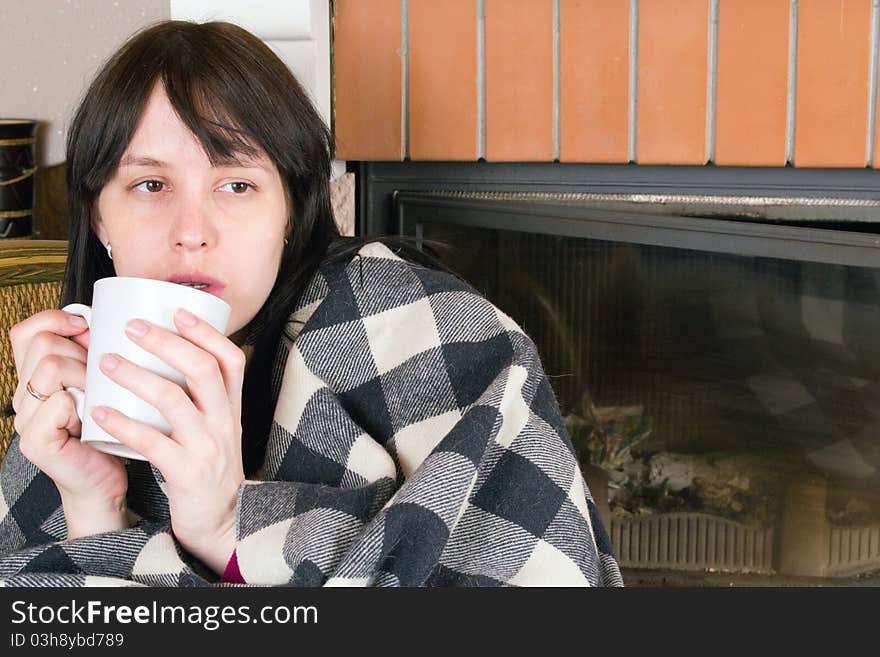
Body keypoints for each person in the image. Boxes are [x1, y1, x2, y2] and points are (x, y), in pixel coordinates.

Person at [0, 20, 622, 587]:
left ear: (291, 215)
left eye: (237, 185)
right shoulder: (75, 384)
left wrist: (227, 527)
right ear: (99, 218)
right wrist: (93, 508)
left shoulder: (427, 334)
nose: (192, 229)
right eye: (151, 184)